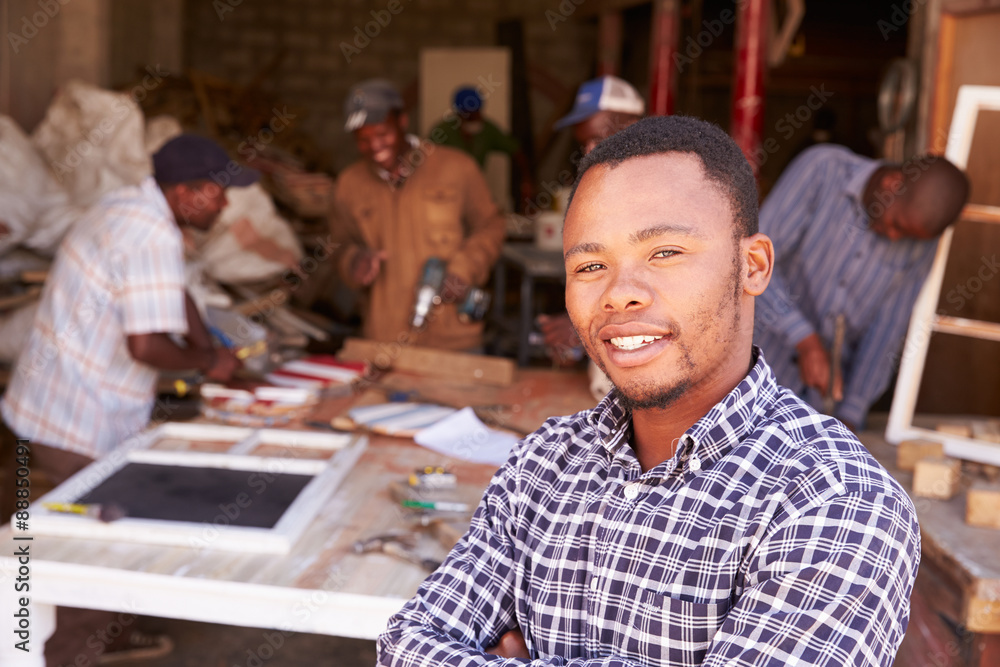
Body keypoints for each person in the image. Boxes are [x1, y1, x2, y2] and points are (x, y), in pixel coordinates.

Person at [377, 115, 920, 666]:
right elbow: (403, 649)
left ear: (752, 266)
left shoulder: (837, 502)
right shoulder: (541, 464)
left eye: (665, 253)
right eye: (590, 264)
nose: (620, 294)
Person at [0, 133, 248, 665]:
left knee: (108, 535)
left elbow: (170, 293)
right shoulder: (149, 234)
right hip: (76, 416)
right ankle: (64, 654)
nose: (225, 202)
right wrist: (209, 364)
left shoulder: (131, 203)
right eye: (217, 191)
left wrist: (209, 347)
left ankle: (109, 635)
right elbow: (146, 344)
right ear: (185, 193)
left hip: (55, 399)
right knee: (105, 549)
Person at [753, 144, 970, 430]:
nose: (895, 239)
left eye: (907, 237)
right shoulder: (822, 170)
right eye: (896, 225)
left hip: (820, 406)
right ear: (892, 184)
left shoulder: (921, 241)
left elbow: (887, 328)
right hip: (754, 376)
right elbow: (753, 264)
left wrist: (852, 413)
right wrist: (805, 340)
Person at [332, 79, 506, 352]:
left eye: (382, 134)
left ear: (402, 122)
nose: (375, 147)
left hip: (453, 337)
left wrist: (464, 269)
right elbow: (338, 243)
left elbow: (491, 225)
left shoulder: (456, 167)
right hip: (384, 337)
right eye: (363, 139)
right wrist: (353, 261)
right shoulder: (349, 184)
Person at [538, 75, 644, 399]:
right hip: (611, 391)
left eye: (600, 138)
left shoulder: (661, 199)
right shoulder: (601, 194)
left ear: (632, 126)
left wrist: (587, 328)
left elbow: (666, 301)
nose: (590, 152)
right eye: (583, 142)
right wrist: (583, 337)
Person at [428, 86, 535, 207]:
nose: (477, 118)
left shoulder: (487, 130)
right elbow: (425, 160)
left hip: (475, 191)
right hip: (446, 192)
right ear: (460, 114)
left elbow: (516, 151)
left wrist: (527, 181)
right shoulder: (443, 131)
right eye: (471, 116)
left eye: (478, 113)